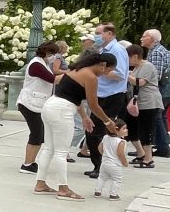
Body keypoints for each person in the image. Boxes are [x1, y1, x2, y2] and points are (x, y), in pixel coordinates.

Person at [33, 52, 117, 201]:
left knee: (49, 148)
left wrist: (84, 117)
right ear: (103, 65)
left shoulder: (77, 69)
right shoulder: (91, 77)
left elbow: (73, 95)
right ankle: (63, 188)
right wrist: (108, 122)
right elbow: (93, 104)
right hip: (62, 110)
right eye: (107, 70)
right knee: (61, 151)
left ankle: (40, 183)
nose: (105, 74)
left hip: (51, 105)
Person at [85, 23, 129, 179]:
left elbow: (121, 74)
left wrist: (100, 71)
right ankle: (98, 164)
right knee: (92, 131)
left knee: (100, 130)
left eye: (99, 33)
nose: (96, 36)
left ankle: (102, 166)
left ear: (109, 34)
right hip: (101, 94)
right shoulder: (102, 49)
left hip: (112, 95)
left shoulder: (117, 50)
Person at [17, 41, 60, 174]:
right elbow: (52, 79)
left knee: (39, 135)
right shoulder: (36, 64)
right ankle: (27, 164)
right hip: (30, 104)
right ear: (47, 53)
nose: (54, 57)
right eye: (53, 54)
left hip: (36, 104)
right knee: (36, 134)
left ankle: (31, 161)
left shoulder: (42, 63)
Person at [125, 44, 162, 168]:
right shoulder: (137, 67)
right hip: (140, 103)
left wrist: (124, 75)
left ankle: (148, 159)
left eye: (128, 57)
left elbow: (140, 82)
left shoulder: (147, 66)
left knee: (147, 130)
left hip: (149, 102)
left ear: (135, 56)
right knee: (138, 129)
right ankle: (143, 155)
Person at [140, 28, 170, 158]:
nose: (141, 39)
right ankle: (162, 146)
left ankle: (163, 147)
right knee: (158, 118)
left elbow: (155, 75)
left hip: (155, 90)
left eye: (144, 36)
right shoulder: (156, 51)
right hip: (158, 90)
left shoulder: (156, 53)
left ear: (152, 39)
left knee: (157, 118)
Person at [94, 118, 129, 200]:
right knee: (117, 179)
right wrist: (125, 162)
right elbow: (120, 153)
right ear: (116, 130)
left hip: (105, 163)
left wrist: (105, 154)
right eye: (124, 128)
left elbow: (100, 147)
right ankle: (113, 195)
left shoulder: (105, 137)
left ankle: (97, 191)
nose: (126, 130)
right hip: (115, 165)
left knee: (102, 177)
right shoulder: (121, 142)